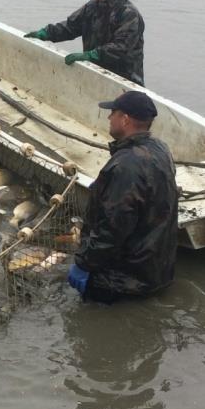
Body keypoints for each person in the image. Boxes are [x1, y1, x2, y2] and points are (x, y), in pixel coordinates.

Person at [68, 91, 178, 303]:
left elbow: (112, 229)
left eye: (113, 113)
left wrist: (83, 265)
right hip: (157, 272)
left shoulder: (125, 167)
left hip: (122, 284)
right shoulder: (161, 149)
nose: (109, 118)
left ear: (125, 119)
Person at [24, 0, 145, 86]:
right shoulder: (92, 7)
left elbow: (121, 48)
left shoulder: (128, 14)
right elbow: (70, 27)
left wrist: (92, 55)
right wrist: (45, 33)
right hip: (96, 76)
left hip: (125, 83)